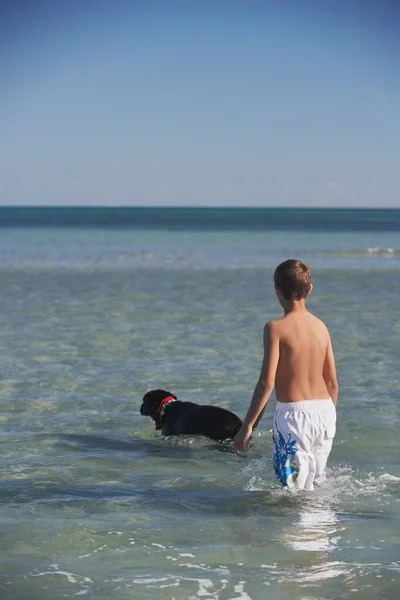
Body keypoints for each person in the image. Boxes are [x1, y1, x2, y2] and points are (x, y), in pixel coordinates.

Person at [234, 259, 338, 491]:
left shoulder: (275, 328)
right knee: (316, 487)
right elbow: (332, 381)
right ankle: (321, 527)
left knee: (292, 489)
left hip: (294, 416)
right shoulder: (321, 326)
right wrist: (328, 415)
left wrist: (247, 426)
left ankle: (297, 528)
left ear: (276, 288)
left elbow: (266, 382)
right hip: (325, 412)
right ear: (309, 289)